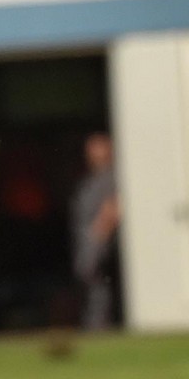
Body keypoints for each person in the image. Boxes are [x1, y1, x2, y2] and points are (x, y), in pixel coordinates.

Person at [70, 132, 121, 330]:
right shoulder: (90, 180)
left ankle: (99, 328)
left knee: (98, 291)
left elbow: (113, 208)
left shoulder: (111, 178)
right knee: (90, 291)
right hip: (86, 241)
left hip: (98, 243)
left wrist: (97, 239)